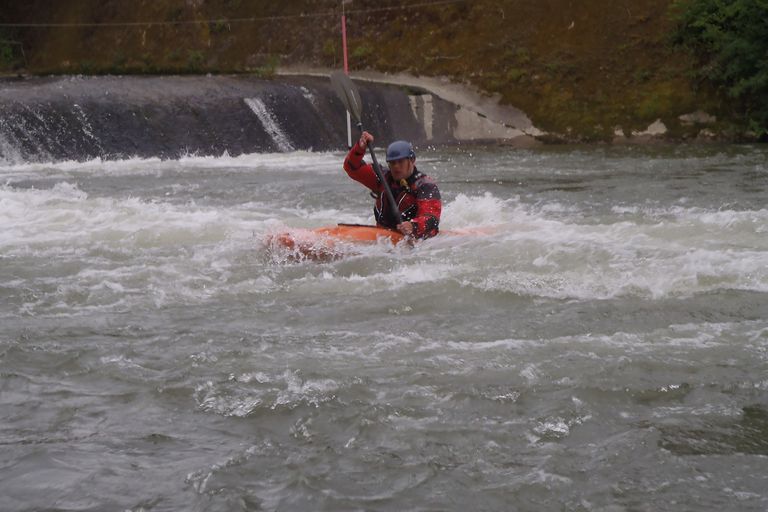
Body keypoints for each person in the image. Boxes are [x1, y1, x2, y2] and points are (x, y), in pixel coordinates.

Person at [343, 131, 441, 239]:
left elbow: (431, 218)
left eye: (400, 162)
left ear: (412, 160)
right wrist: (360, 147)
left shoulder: (425, 186)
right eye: (392, 163)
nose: (396, 167)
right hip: (384, 238)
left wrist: (413, 226)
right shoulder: (382, 177)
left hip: (418, 241)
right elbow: (351, 167)